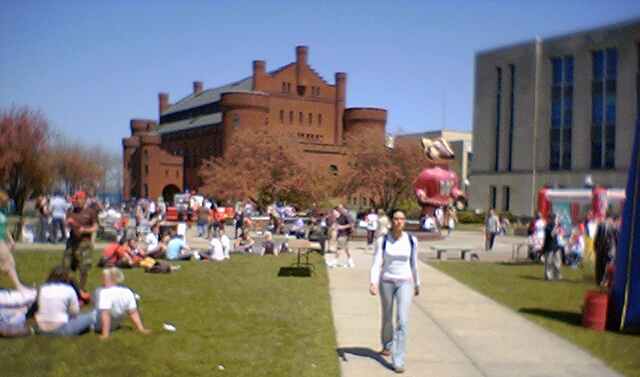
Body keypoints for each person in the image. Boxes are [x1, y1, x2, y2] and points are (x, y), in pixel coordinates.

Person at [369, 210, 420, 374]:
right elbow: (377, 262)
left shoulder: (411, 240)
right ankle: (387, 344)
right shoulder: (383, 240)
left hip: (405, 282)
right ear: (391, 221)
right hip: (386, 281)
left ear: (405, 222)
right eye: (396, 219)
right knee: (387, 316)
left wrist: (417, 283)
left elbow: (414, 264)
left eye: (402, 219)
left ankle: (398, 360)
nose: (399, 221)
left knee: (402, 321)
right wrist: (373, 282)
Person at [35, 266, 95, 336]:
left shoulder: (42, 289)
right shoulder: (69, 290)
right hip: (61, 329)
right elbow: (74, 313)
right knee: (92, 315)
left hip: (41, 328)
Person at [94, 267, 150, 339]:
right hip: (116, 325)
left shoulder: (103, 292)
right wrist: (141, 329)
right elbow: (133, 312)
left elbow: (105, 314)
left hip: (98, 325)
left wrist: (105, 334)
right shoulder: (127, 292)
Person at [63, 191, 98, 294]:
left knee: (84, 268)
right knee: (66, 266)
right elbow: (66, 224)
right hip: (72, 242)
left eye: (78, 200)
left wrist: (84, 230)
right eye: (74, 200)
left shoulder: (90, 212)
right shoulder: (70, 211)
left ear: (84, 200)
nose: (75, 202)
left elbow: (95, 227)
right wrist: (68, 223)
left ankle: (81, 289)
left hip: (85, 243)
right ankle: (69, 287)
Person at [0, 191, 27, 290]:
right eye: (4, 201)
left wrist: (11, 240)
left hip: (2, 241)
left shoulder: (2, 212)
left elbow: (4, 228)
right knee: (8, 262)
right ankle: (18, 286)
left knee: (8, 262)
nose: (6, 204)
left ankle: (18, 285)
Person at [543, 214, 562, 281]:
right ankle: (548, 276)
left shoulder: (557, 226)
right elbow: (552, 234)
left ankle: (557, 275)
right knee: (549, 262)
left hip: (556, 246)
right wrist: (556, 226)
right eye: (555, 219)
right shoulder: (547, 226)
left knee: (557, 262)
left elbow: (560, 233)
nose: (555, 220)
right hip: (549, 246)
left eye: (556, 218)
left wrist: (558, 226)